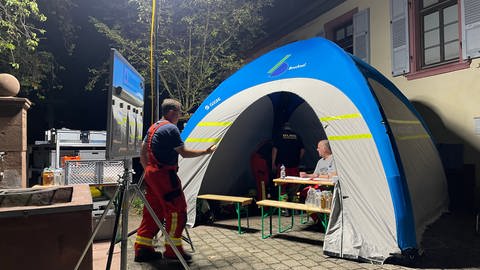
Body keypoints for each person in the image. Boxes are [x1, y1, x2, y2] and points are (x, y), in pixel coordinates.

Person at [135, 98, 216, 263]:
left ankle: (142, 248)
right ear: (171, 112)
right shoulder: (171, 129)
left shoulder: (153, 127)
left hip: (152, 174)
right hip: (165, 175)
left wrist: (149, 171)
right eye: (179, 112)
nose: (180, 116)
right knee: (177, 211)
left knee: (153, 211)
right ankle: (173, 250)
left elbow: (142, 153)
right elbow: (184, 153)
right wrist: (206, 151)